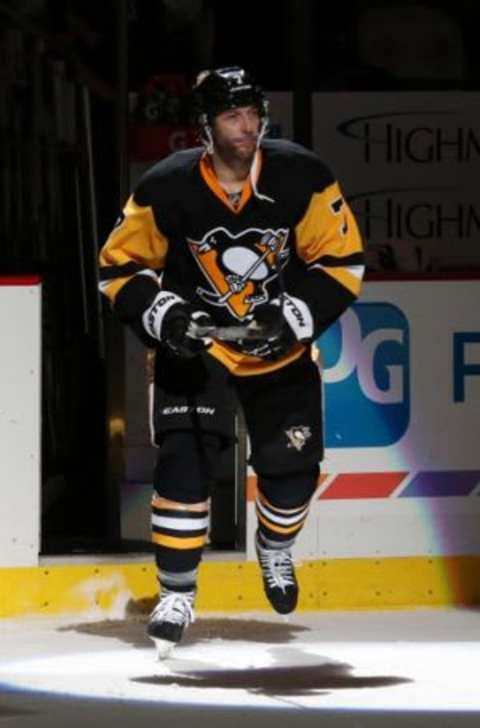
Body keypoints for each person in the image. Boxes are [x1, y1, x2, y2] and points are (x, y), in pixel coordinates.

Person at [98, 66, 364, 658]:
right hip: (198, 352)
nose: (246, 128)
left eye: (251, 115)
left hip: (280, 351)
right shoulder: (166, 186)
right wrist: (165, 315)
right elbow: (119, 269)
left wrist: (292, 315)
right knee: (184, 472)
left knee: (292, 477)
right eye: (230, 117)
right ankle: (177, 593)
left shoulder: (304, 175)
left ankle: (273, 546)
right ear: (206, 125)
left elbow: (342, 260)